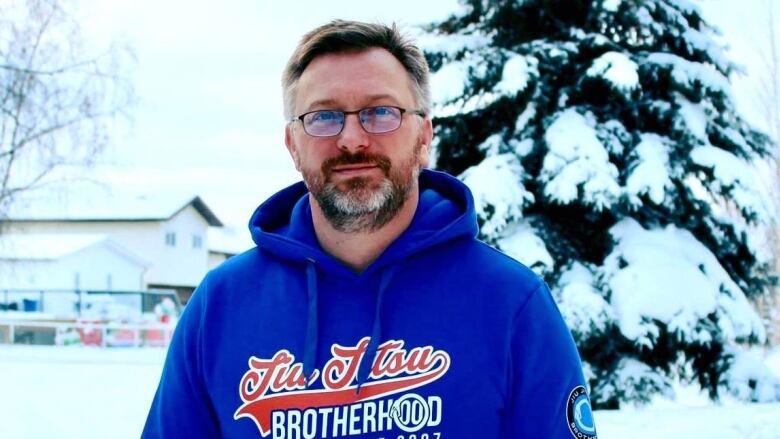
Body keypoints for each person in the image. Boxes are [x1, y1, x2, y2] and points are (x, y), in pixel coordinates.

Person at [143, 20, 596, 439]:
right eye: (324, 116)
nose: (353, 139)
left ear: (423, 136)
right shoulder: (222, 304)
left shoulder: (511, 303)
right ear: (292, 145)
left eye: (381, 112)